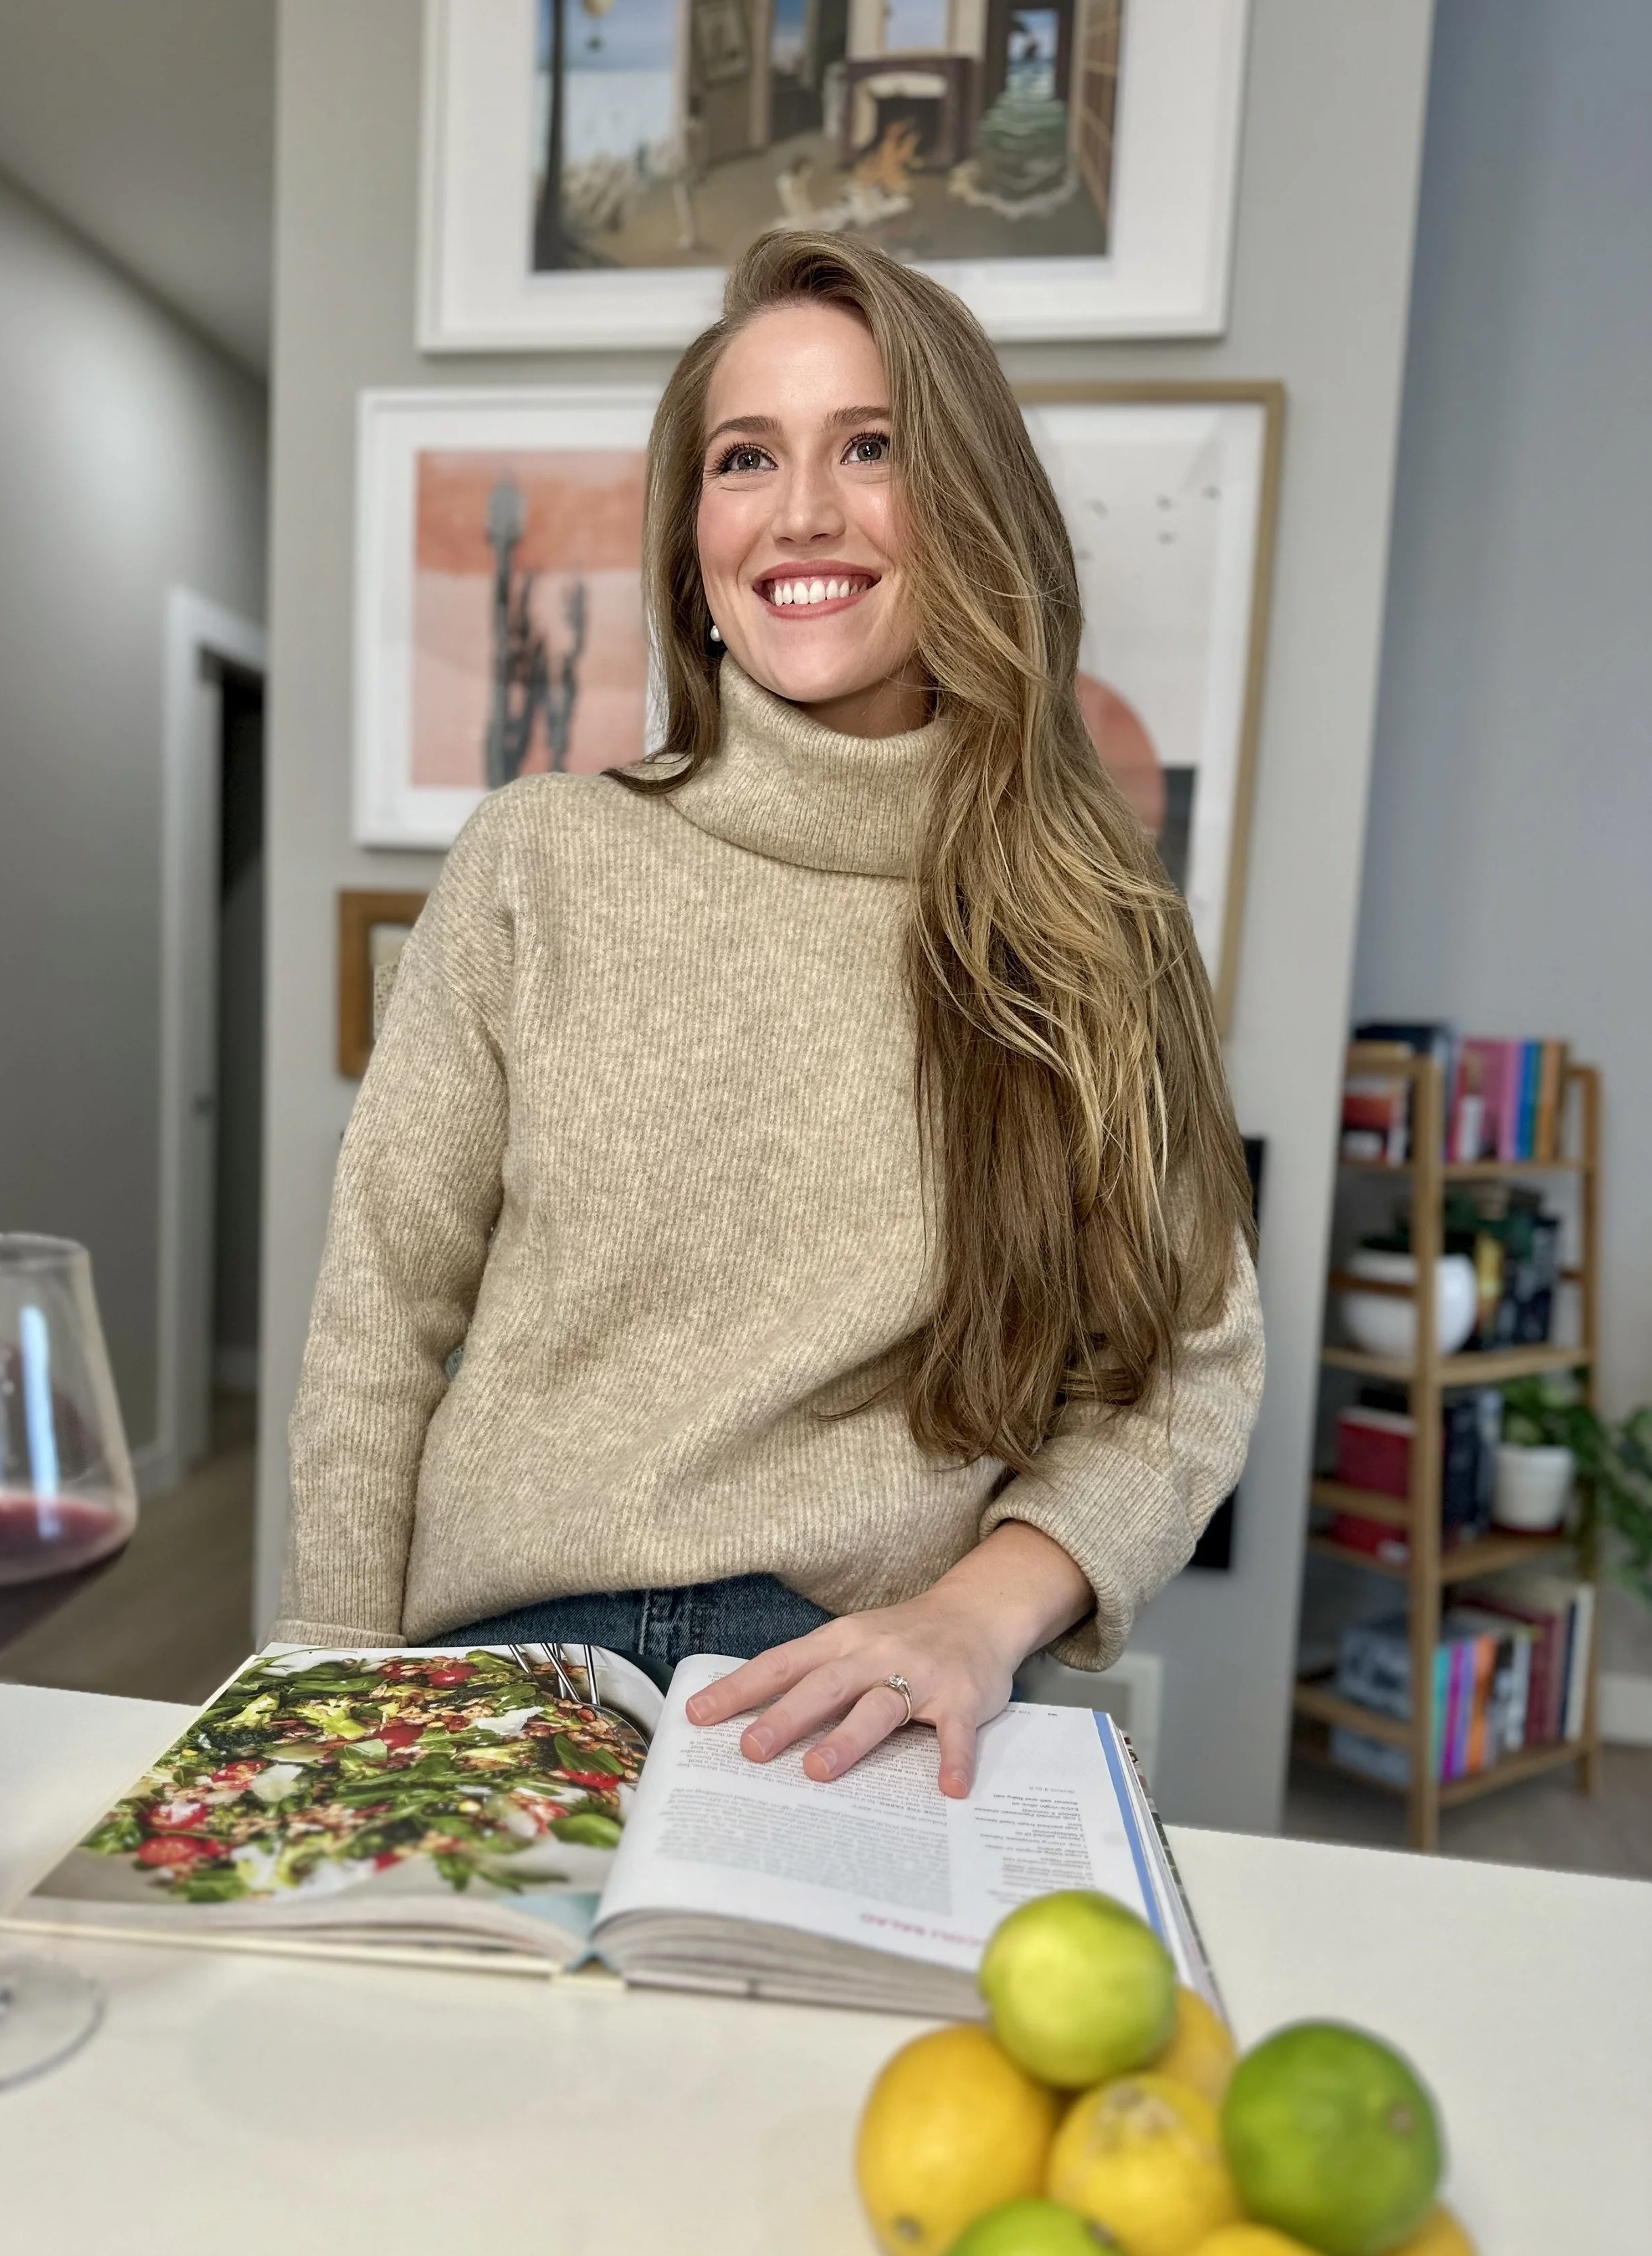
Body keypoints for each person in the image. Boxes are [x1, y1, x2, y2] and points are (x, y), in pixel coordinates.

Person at [278, 231, 1264, 1798]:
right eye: (746, 458)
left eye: (870, 446)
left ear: (969, 504)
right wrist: (327, 1694)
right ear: (693, 545)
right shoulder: (539, 860)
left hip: (851, 1697)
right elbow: (377, 1315)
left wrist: (968, 1614)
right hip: (494, 1672)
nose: (803, 508)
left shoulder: (1092, 927)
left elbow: (1185, 1370)